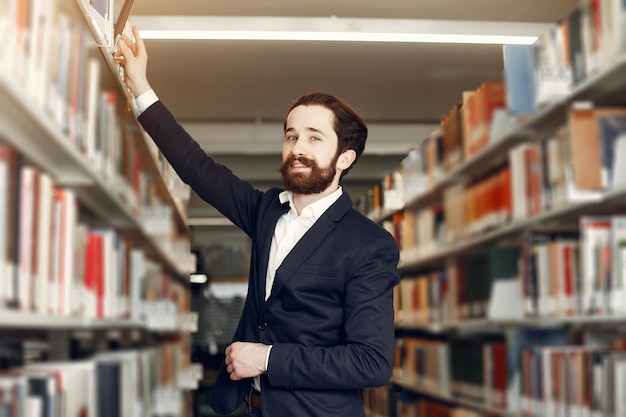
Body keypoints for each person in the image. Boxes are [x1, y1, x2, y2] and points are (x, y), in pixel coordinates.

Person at [114, 26, 400, 417]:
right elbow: (198, 169)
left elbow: (371, 362)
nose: (298, 148)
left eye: (315, 138)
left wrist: (269, 359)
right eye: (291, 135)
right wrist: (140, 85)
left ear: (344, 159)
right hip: (248, 408)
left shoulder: (369, 244)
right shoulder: (267, 211)